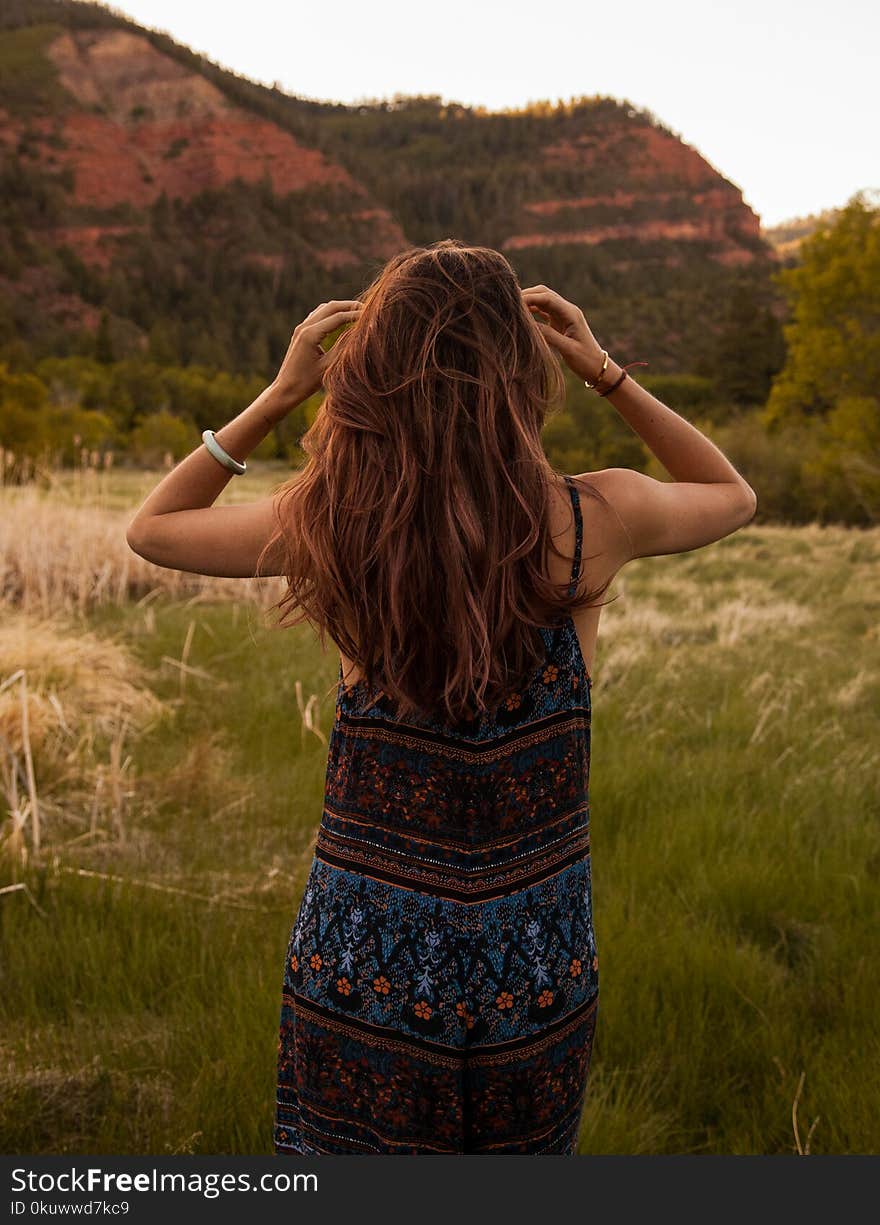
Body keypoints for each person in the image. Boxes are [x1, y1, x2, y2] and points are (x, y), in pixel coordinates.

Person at [126, 238, 757, 1154]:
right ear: (519, 369)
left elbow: (154, 529)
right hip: (531, 958)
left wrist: (280, 394)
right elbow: (730, 494)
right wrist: (606, 371)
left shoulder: (334, 526)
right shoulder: (591, 522)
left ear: (373, 371)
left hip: (363, 959)